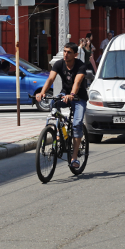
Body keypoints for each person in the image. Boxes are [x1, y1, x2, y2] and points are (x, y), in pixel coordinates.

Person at [36, 42, 88, 170]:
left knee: (76, 125)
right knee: (54, 103)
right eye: (64, 51)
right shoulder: (59, 64)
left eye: (69, 52)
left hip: (79, 97)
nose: (65, 54)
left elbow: (77, 82)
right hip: (65, 93)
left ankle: (74, 158)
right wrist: (42, 92)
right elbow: (50, 79)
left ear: (75, 54)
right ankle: (60, 129)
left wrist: (72, 94)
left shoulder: (81, 66)